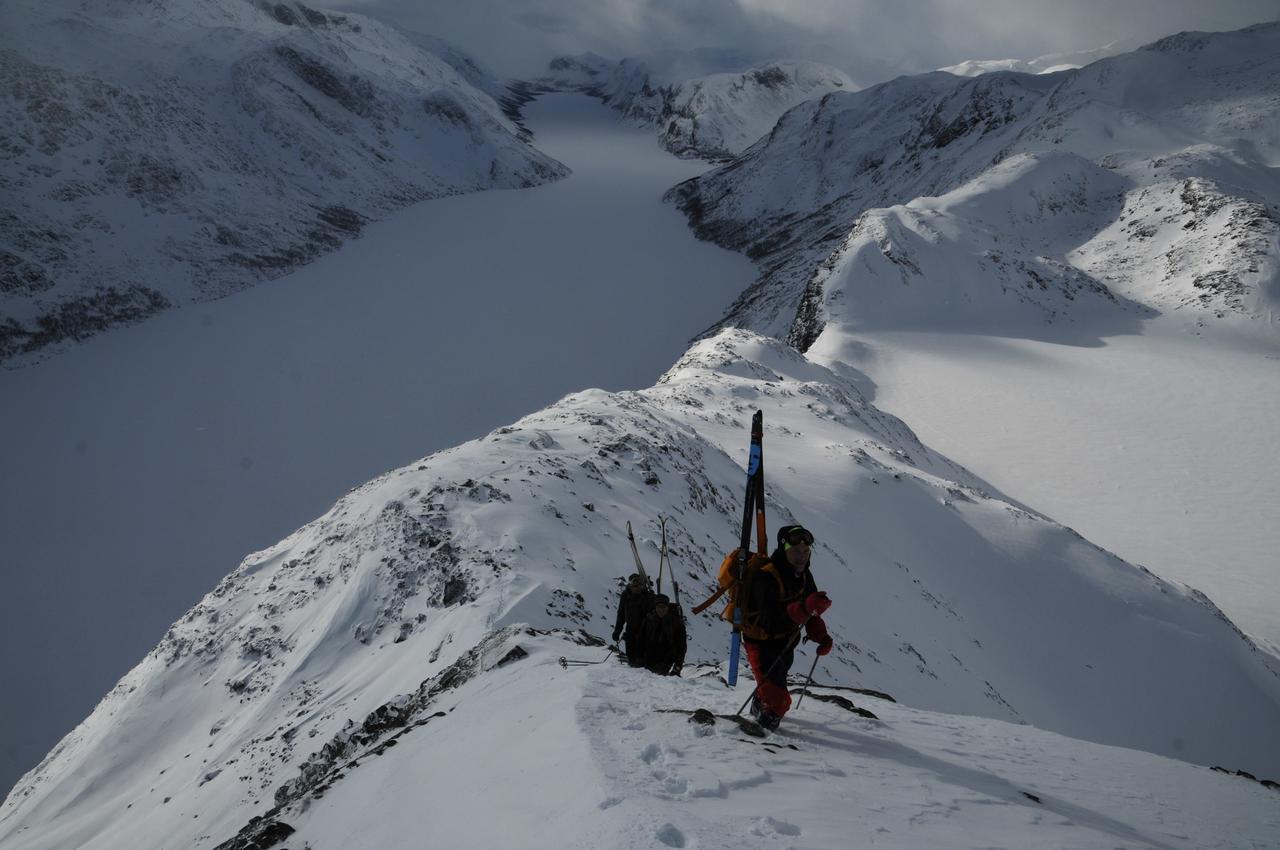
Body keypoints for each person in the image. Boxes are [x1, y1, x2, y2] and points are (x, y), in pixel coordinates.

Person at [742, 524, 833, 731]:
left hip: (786, 644)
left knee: (775, 689)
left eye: (805, 551)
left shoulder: (804, 576)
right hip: (762, 646)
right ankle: (755, 741)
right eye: (795, 551)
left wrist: (821, 635)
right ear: (784, 551)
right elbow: (770, 621)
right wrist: (803, 608)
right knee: (779, 703)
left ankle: (760, 706)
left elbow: (811, 612)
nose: (801, 556)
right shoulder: (766, 577)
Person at [639, 594, 686, 676]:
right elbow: (641, 639)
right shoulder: (649, 619)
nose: (661, 609)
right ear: (655, 607)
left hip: (666, 659)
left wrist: (677, 667)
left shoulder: (676, 623)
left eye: (663, 607)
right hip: (648, 657)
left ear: (668, 607)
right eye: (659, 607)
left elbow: (681, 647)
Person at [612, 573, 654, 666]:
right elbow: (621, 614)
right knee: (632, 660)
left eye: (640, 585)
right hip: (630, 632)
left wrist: (651, 598)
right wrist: (617, 631)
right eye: (635, 586)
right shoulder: (626, 595)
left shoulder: (647, 596)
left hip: (645, 633)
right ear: (630, 586)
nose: (637, 587)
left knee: (642, 662)